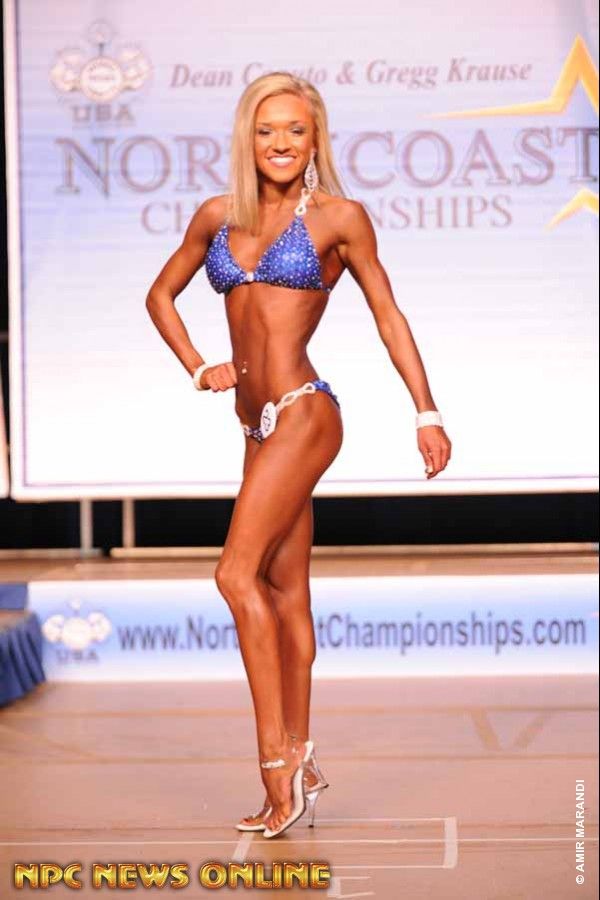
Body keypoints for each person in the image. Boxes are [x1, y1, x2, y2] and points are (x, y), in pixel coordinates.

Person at [145, 71, 452, 839]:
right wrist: (197, 366)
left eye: (296, 130)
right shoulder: (217, 216)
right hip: (255, 426)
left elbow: (388, 315)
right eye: (267, 130)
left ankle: (276, 767)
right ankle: (305, 757)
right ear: (246, 138)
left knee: (233, 574)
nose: (281, 143)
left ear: (317, 140)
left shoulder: (340, 218)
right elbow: (159, 296)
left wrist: (426, 410)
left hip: (303, 412)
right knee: (285, 595)